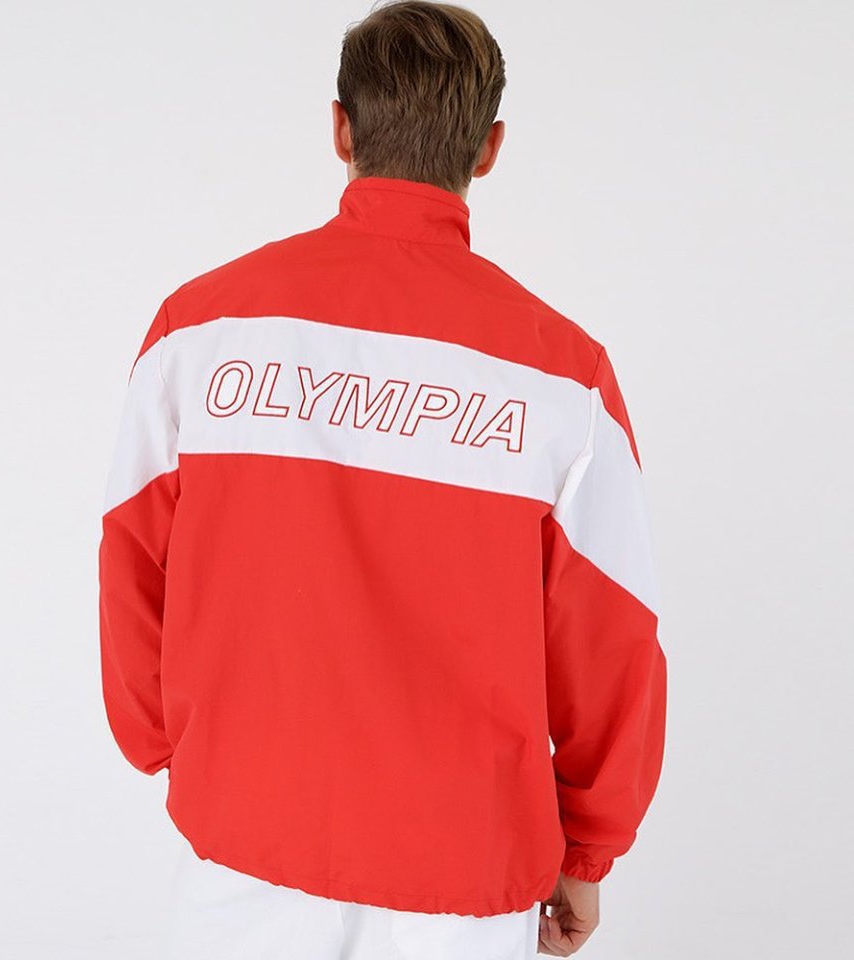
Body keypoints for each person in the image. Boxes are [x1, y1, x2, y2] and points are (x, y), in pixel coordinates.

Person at [97, 2, 668, 957]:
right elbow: (611, 635)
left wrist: (173, 743)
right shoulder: (563, 377)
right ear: (488, 149)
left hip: (244, 840)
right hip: (464, 871)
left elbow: (131, 558)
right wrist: (588, 851)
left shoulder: (200, 331)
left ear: (341, 129)